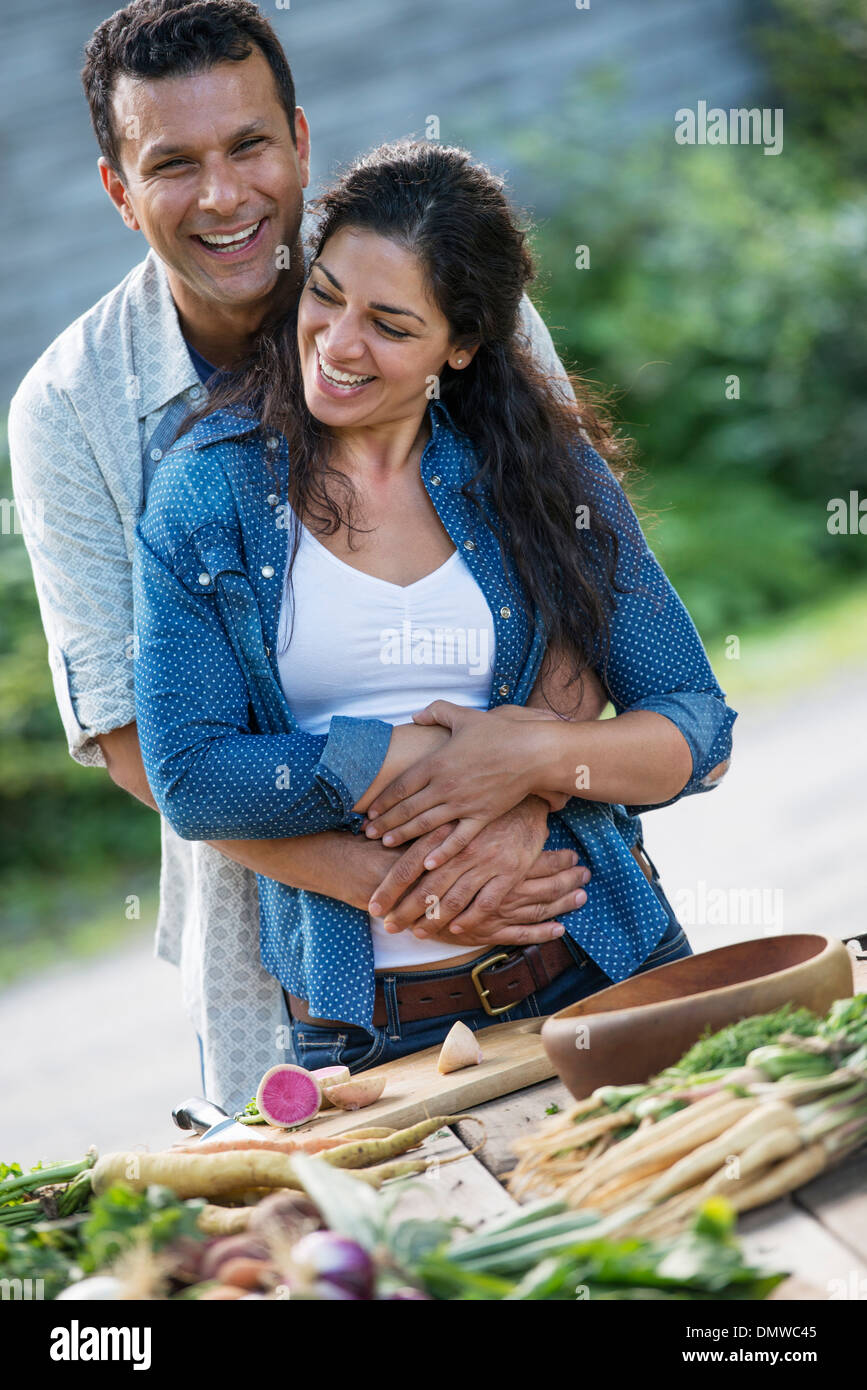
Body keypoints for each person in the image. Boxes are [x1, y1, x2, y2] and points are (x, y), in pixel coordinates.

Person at [8, 0, 597, 1112]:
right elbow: (139, 741)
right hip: (281, 973)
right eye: (172, 163)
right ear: (117, 190)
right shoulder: (70, 409)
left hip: (547, 895)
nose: (224, 195)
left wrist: (519, 799)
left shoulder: (451, 288)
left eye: (248, 145)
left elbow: (579, 578)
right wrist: (402, 887)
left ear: (302, 142)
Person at [133, 139, 736, 1076]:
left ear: (459, 346)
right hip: (371, 1031)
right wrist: (403, 757)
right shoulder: (205, 498)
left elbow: (697, 731)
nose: (336, 344)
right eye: (325, 294)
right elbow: (193, 779)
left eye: (389, 323)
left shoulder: (538, 474)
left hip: (602, 961)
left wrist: (525, 758)